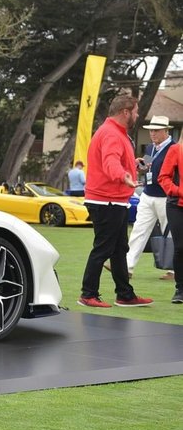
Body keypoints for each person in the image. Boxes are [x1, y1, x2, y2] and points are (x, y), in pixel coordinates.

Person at [78, 94, 152, 308]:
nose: (137, 115)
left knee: (119, 249)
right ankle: (88, 294)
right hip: (106, 201)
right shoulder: (112, 134)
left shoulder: (113, 132)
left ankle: (125, 295)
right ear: (125, 112)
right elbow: (110, 162)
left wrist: (132, 164)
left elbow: (113, 160)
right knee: (103, 248)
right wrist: (123, 176)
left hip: (111, 200)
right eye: (136, 111)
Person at [125, 116, 174, 280]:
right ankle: (127, 266)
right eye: (151, 130)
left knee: (171, 232)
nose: (152, 133)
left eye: (156, 130)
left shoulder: (174, 149)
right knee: (139, 229)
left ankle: (174, 270)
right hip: (148, 194)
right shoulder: (151, 149)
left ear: (166, 131)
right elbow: (147, 167)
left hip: (166, 197)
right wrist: (138, 164)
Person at [158, 121, 183, 303]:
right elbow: (163, 177)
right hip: (177, 205)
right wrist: (178, 191)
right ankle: (180, 289)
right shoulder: (176, 150)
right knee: (180, 247)